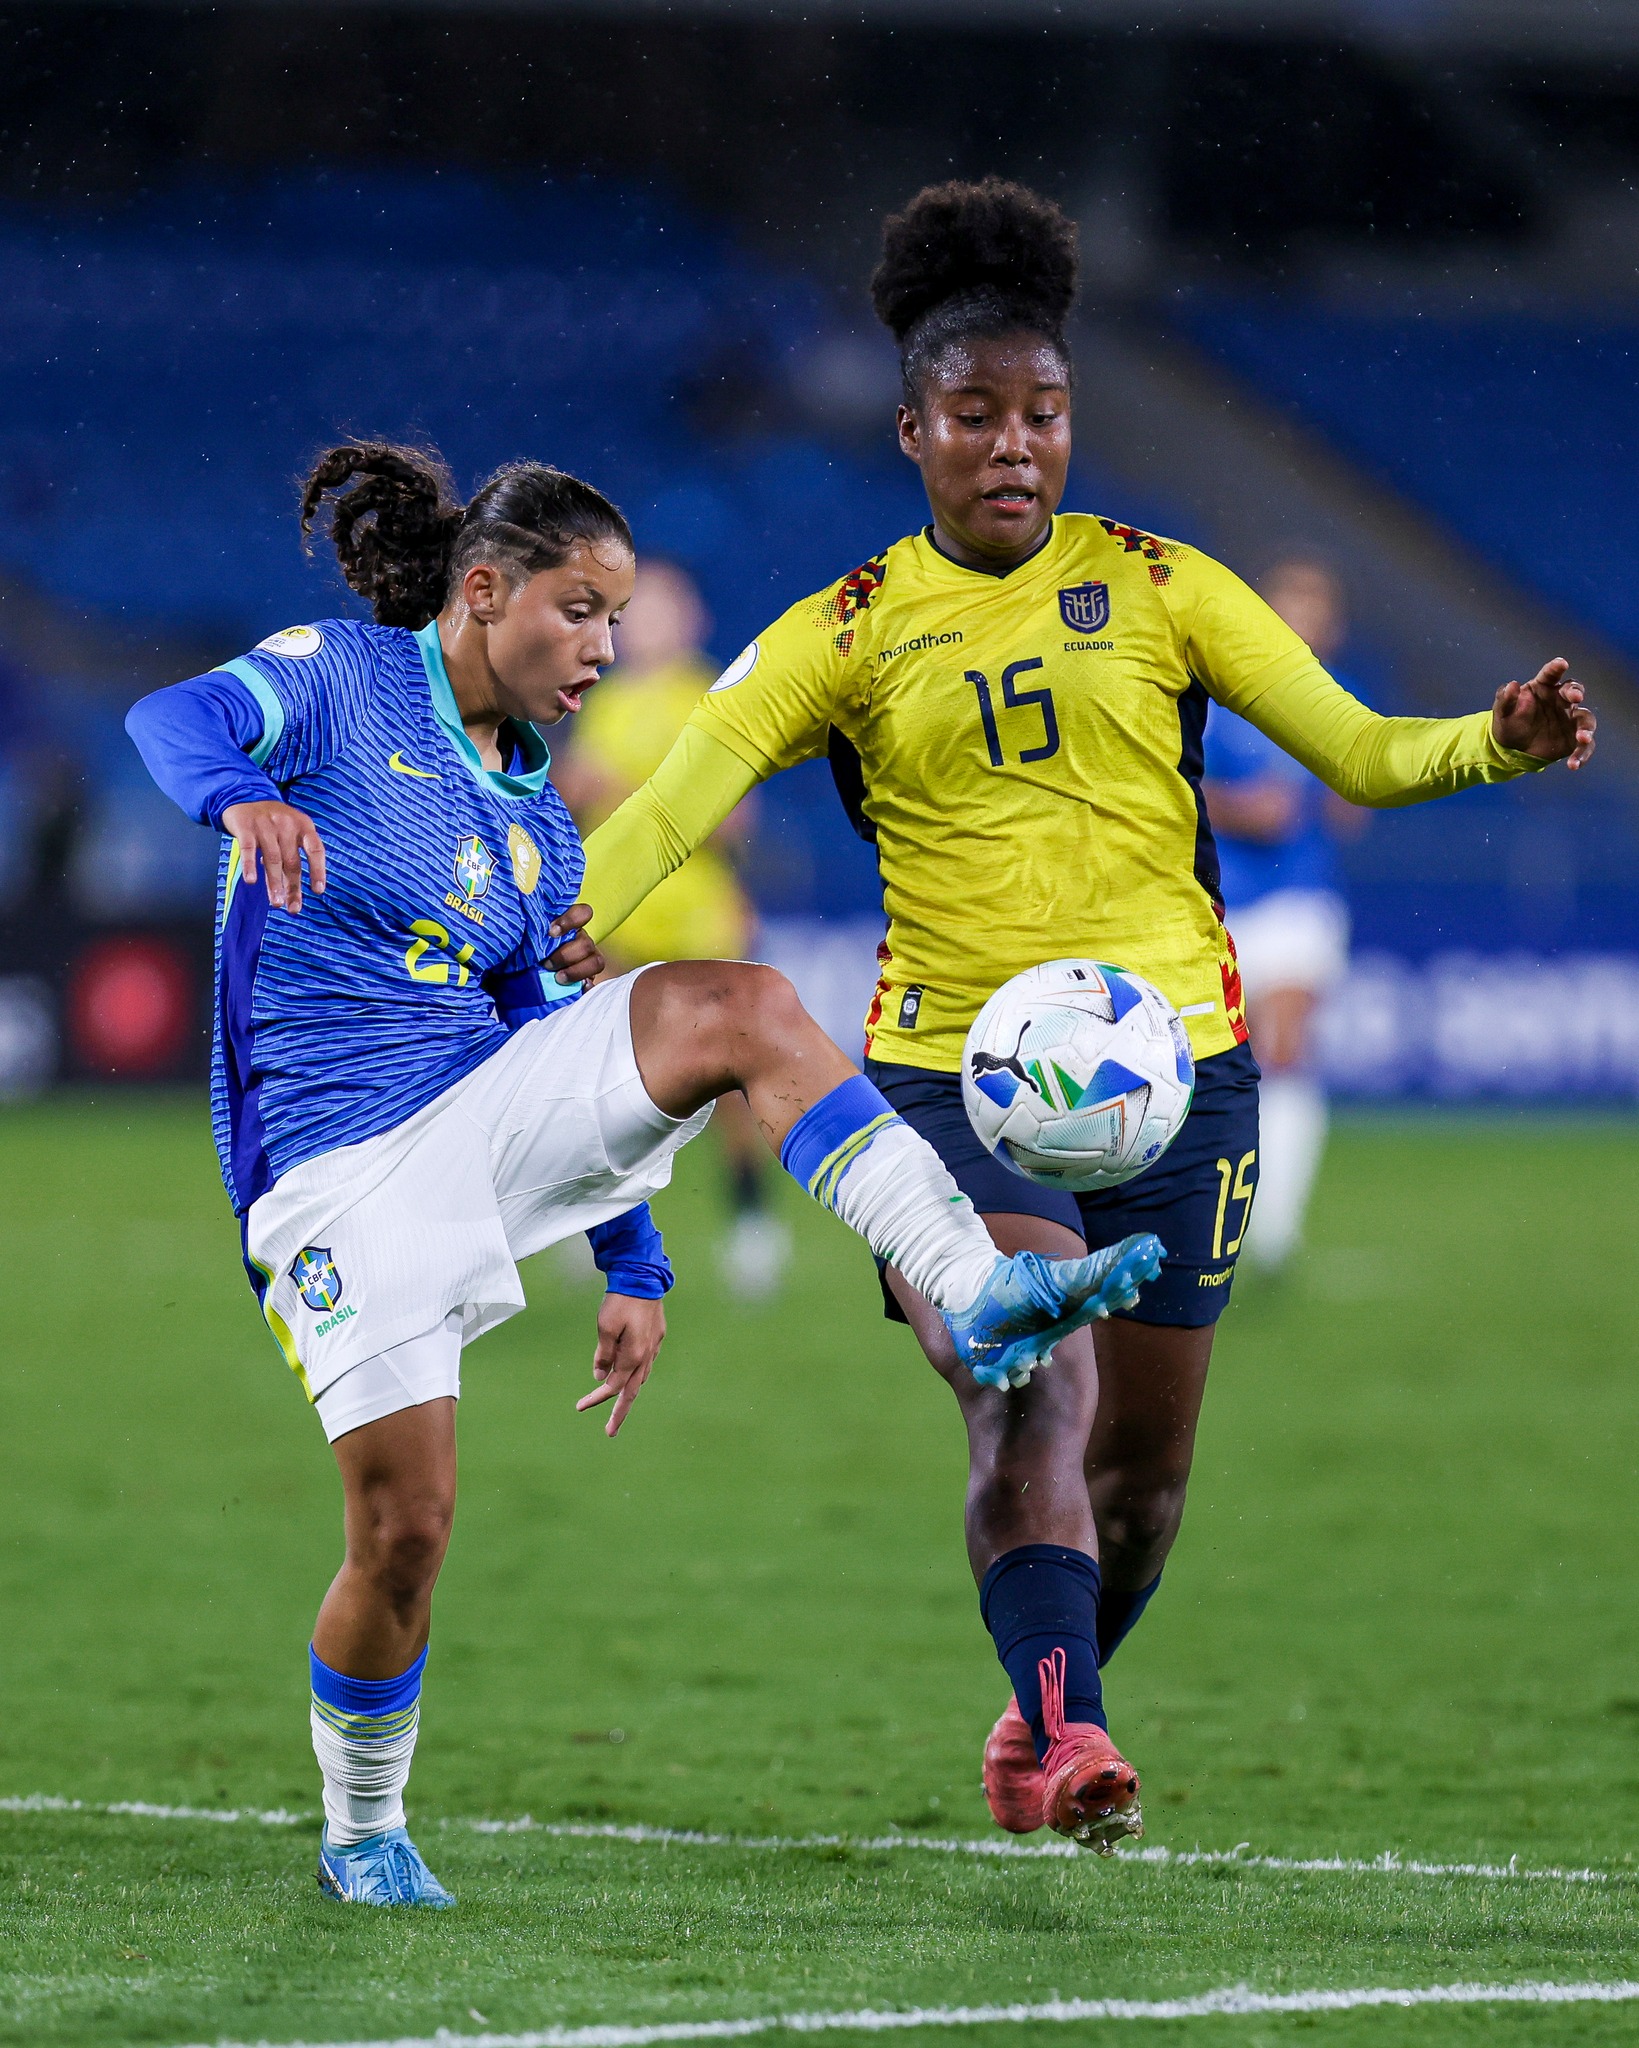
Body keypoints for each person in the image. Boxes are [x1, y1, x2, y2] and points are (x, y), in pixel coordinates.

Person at [571, 179, 1595, 1852]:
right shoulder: (843, 626)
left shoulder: (1166, 586)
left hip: (1179, 1086)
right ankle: (1065, 1734)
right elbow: (668, 806)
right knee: (1026, 1383)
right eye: (971, 415)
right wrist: (539, 922)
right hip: (944, 1087)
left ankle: (1038, 1699)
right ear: (907, 427)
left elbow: (1354, 751)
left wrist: (1488, 736)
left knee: (1140, 1485)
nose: (1011, 444)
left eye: (1040, 413)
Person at [123, 439, 1164, 1908]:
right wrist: (237, 796)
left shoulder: (543, 820)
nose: (603, 652)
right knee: (403, 1530)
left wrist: (629, 1263)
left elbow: (537, 1035)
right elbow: (169, 716)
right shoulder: (341, 677)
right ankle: (363, 1824)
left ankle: (975, 1286)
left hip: (472, 1109)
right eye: (577, 612)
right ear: (482, 592)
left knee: (733, 1001)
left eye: (615, 620)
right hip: (332, 1174)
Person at [554, 559, 791, 1299]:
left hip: (697, 919)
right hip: (615, 918)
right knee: (597, 1076)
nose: (644, 624)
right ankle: (595, 1221)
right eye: (635, 612)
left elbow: (737, 818)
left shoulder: (708, 697)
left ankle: (752, 1224)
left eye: (660, 610)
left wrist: (624, 793)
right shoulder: (604, 700)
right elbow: (571, 797)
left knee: (727, 1084)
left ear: (691, 623)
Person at [1202, 556, 1363, 1274]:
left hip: (1300, 899)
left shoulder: (1345, 701)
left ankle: (1273, 1234)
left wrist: (1354, 792)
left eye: (1315, 605)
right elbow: (1176, 791)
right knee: (1215, 1065)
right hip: (1219, 906)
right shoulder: (1220, 698)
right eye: (1290, 604)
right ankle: (1209, 1216)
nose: (1303, 620)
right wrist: (1241, 809)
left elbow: (1357, 804)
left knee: (1286, 1046)